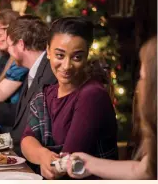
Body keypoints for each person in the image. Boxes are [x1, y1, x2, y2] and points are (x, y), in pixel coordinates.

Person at [20, 17, 119, 180]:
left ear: (87, 55)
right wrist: (42, 154)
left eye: (77, 57)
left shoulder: (92, 95)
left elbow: (67, 162)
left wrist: (47, 162)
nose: (66, 66)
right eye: (60, 55)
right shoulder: (46, 93)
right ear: (48, 51)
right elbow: (27, 139)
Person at [66, 36, 157, 180]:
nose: (139, 87)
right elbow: (143, 170)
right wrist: (89, 164)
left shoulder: (92, 94)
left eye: (143, 77)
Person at [0, 15, 57, 156]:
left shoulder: (50, 73)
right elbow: (26, 113)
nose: (9, 52)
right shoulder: (35, 69)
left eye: (10, 45)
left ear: (21, 44)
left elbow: (44, 130)